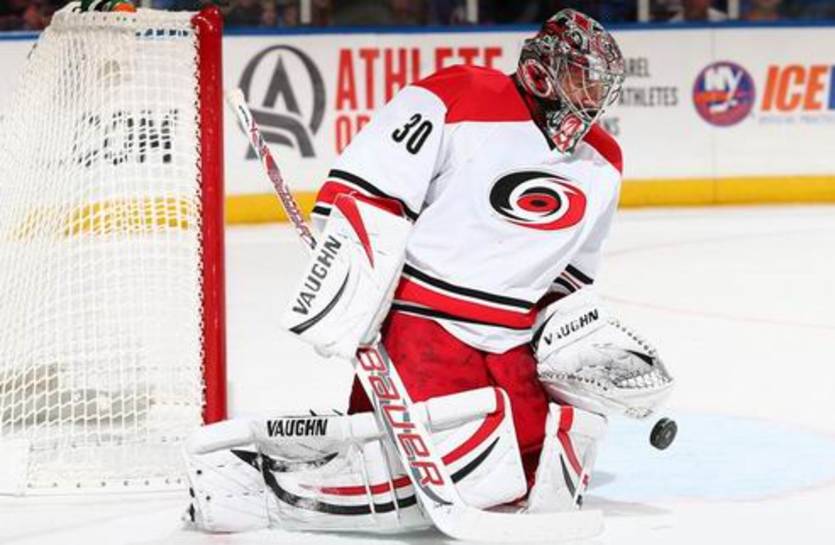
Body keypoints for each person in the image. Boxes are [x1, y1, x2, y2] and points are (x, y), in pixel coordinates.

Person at [182, 9, 674, 535]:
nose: (591, 98)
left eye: (599, 87)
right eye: (580, 80)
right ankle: (253, 488)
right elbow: (370, 189)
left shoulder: (603, 162)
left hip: (510, 343)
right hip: (423, 325)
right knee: (421, 471)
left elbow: (570, 277)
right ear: (541, 70)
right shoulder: (461, 95)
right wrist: (351, 285)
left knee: (530, 471)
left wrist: (572, 340)